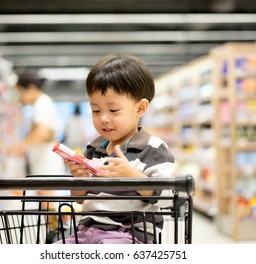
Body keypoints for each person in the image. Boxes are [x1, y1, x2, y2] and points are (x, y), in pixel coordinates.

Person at [58, 54, 176, 244]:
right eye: (96, 110)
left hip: (128, 234)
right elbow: (80, 199)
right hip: (86, 230)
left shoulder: (153, 148)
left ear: (140, 108)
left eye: (113, 110)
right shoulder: (94, 148)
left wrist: (131, 175)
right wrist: (79, 178)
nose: (103, 118)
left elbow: (167, 198)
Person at [9, 73, 66, 182]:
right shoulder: (41, 103)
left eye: (21, 93)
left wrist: (21, 146)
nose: (21, 98)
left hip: (45, 159)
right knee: (44, 194)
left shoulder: (42, 103)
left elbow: (42, 131)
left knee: (45, 195)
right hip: (43, 157)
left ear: (30, 88)